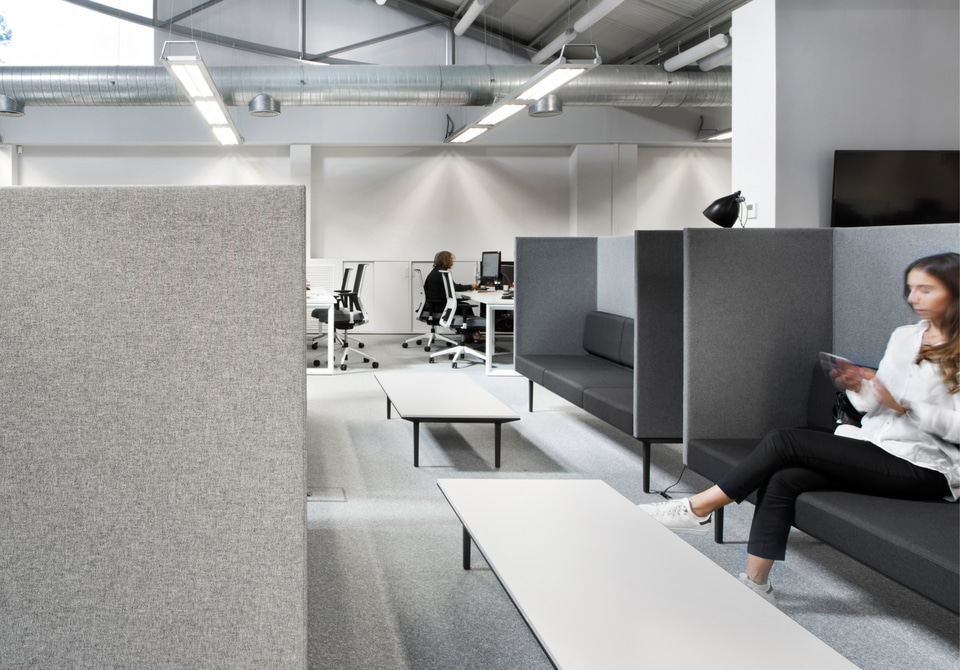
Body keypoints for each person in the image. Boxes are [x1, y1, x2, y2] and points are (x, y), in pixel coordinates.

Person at [640, 252, 960, 603]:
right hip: (876, 444)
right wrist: (861, 387)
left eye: (926, 289)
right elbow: (874, 405)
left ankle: (698, 509)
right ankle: (755, 586)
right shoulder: (904, 337)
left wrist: (906, 407)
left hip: (926, 467)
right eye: (911, 289)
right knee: (784, 478)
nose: (913, 298)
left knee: (785, 440)